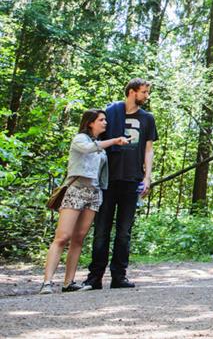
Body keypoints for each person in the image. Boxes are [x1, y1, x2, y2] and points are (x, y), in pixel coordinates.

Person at [40, 110, 129, 294]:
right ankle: (47, 282)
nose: (105, 123)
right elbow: (89, 149)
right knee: (62, 237)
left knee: (78, 238)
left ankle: (68, 282)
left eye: (105, 120)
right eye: (101, 120)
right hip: (76, 190)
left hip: (94, 194)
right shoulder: (80, 139)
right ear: (90, 123)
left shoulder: (100, 146)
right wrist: (114, 141)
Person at [83, 78, 158, 290]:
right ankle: (94, 277)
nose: (146, 96)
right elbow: (95, 141)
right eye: (144, 92)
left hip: (132, 179)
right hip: (107, 179)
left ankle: (119, 276)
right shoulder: (110, 113)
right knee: (101, 230)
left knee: (124, 231)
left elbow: (148, 149)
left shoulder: (147, 118)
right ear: (132, 92)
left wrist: (147, 177)